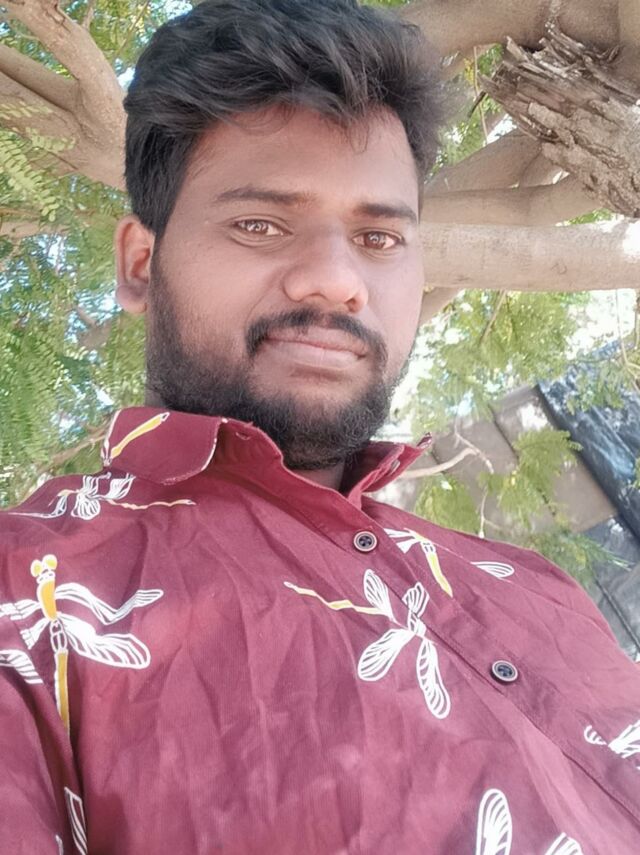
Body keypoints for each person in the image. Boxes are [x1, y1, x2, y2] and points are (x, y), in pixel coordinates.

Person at [1, 0, 639, 851]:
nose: (337, 280)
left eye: (379, 237)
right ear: (140, 264)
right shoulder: (28, 595)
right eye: (260, 224)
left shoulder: (538, 585)